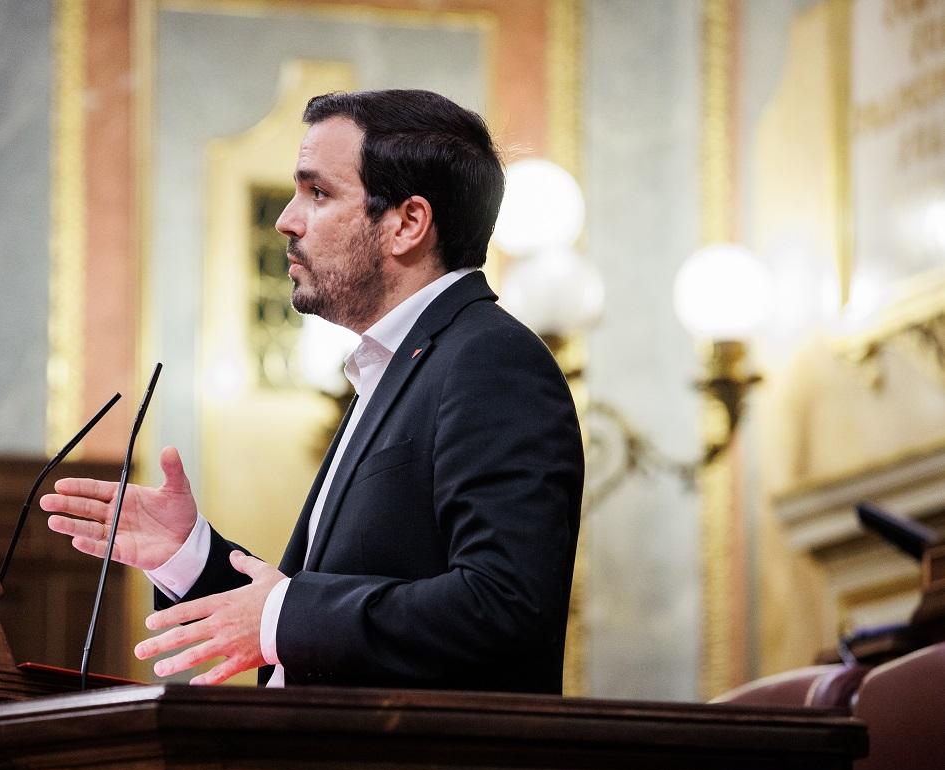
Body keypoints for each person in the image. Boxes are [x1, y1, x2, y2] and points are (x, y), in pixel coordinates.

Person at [41, 89, 584, 693]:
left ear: (407, 223)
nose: (286, 219)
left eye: (319, 193)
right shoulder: (397, 366)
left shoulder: (489, 361)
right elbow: (317, 633)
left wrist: (283, 616)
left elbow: (505, 606)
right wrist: (187, 553)